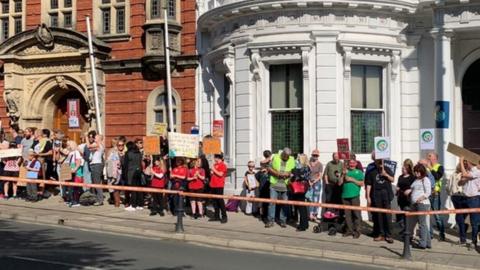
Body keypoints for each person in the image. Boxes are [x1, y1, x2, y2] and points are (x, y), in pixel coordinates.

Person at [365, 159, 394, 244]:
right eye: (378, 163)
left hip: (386, 194)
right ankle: (381, 234)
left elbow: (392, 179)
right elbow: (369, 184)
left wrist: (386, 174)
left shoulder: (388, 169)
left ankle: (389, 235)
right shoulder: (372, 172)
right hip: (376, 195)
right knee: (378, 215)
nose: (380, 164)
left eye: (381, 163)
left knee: (387, 215)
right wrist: (368, 197)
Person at [265, 148, 295, 228]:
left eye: (288, 156)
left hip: (285, 185)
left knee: (284, 204)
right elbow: (269, 168)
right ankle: (270, 221)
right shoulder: (275, 157)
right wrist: (278, 174)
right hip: (274, 184)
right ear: (283, 154)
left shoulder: (292, 159)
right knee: (272, 203)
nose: (287, 158)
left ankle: (283, 221)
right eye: (285, 156)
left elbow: (293, 171)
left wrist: (288, 174)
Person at [405, 164, 432, 249]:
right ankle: (428, 243)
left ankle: (422, 243)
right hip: (414, 204)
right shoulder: (416, 180)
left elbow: (428, 192)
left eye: (418, 171)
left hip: (422, 204)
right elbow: (414, 189)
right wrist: (409, 191)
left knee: (422, 224)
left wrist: (420, 198)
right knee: (422, 224)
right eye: (415, 171)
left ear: (422, 171)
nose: (416, 173)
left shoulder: (425, 179)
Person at [339, 159, 364, 239]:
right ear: (348, 164)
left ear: (356, 164)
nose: (352, 164)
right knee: (347, 215)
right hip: (345, 196)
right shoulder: (345, 171)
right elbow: (339, 183)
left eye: (353, 163)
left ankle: (357, 231)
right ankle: (349, 230)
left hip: (355, 196)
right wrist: (342, 175)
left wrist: (352, 179)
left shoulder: (359, 172)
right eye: (350, 163)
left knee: (356, 214)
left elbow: (362, 183)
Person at [459, 156, 480, 248]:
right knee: (461, 220)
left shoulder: (477, 171)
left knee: (474, 222)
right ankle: (463, 239)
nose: (465, 163)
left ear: (471, 162)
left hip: (474, 199)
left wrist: (460, 161)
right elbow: (461, 182)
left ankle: (474, 241)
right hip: (466, 198)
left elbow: (465, 176)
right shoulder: (470, 171)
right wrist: (463, 179)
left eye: (466, 162)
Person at [426, 152, 446, 241]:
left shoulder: (440, 167)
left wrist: (430, 168)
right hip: (427, 194)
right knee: (426, 214)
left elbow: (437, 176)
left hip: (435, 194)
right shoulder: (426, 168)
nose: (428, 158)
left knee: (437, 215)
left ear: (435, 158)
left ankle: (442, 234)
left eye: (429, 156)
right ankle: (430, 234)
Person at [447, 162, 467, 245]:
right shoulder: (458, 174)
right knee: (461, 217)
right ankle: (463, 238)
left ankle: (463, 237)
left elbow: (448, 187)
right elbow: (448, 186)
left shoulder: (458, 174)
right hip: (459, 196)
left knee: (460, 217)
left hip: (459, 196)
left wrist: (450, 193)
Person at [291, 154, 310, 231]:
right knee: (303, 206)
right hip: (304, 187)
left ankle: (302, 226)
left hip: (299, 188)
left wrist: (293, 175)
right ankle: (305, 224)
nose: (297, 159)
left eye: (298, 158)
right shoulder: (307, 167)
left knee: (301, 207)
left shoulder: (299, 168)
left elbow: (296, 176)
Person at [123, 141, 144, 211]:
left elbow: (125, 165)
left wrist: (124, 176)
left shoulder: (128, 153)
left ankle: (133, 205)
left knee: (133, 189)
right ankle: (140, 204)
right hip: (138, 172)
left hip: (131, 173)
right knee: (139, 188)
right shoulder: (139, 153)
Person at [209, 153, 228, 223]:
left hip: (219, 185)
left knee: (220, 201)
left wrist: (213, 170)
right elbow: (212, 173)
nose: (214, 159)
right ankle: (216, 216)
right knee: (214, 201)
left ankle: (224, 216)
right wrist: (211, 171)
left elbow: (220, 174)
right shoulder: (214, 165)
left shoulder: (223, 165)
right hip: (213, 185)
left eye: (214, 157)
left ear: (218, 158)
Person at [87, 131, 105, 206]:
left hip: (96, 165)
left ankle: (100, 200)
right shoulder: (97, 145)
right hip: (94, 164)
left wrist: (86, 137)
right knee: (95, 182)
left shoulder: (99, 145)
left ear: (100, 139)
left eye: (96, 137)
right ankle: (97, 198)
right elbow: (90, 149)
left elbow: (88, 146)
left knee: (97, 183)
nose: (94, 138)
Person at [396, 159, 415, 226]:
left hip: (408, 199)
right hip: (401, 198)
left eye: (404, 169)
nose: (402, 170)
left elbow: (415, 188)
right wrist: (397, 188)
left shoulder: (412, 177)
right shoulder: (400, 177)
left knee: (408, 215)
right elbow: (398, 185)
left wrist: (410, 190)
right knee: (403, 214)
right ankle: (405, 229)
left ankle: (408, 231)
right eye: (402, 168)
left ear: (408, 169)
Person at [106, 138, 123, 207]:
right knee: (114, 185)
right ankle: (116, 201)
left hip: (117, 171)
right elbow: (108, 161)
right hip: (114, 171)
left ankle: (116, 201)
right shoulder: (112, 151)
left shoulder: (119, 150)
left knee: (115, 186)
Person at [65, 140, 84, 207]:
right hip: (70, 171)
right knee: (70, 187)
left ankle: (76, 201)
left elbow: (78, 161)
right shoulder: (70, 153)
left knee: (75, 187)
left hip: (75, 172)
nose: (67, 146)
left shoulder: (76, 152)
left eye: (68, 145)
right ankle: (71, 199)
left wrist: (75, 169)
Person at [308, 149, 323, 220]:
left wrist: (313, 181)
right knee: (310, 198)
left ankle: (315, 214)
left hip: (316, 182)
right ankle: (310, 213)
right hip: (309, 182)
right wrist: (309, 181)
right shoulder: (308, 163)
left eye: (316, 155)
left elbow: (320, 175)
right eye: (314, 155)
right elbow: (306, 173)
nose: (315, 157)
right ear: (312, 155)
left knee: (316, 198)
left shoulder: (320, 164)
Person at [257, 150, 272, 221]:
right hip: (266, 181)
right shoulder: (270, 161)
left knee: (263, 201)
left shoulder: (262, 162)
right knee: (266, 201)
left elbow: (262, 167)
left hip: (264, 181)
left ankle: (263, 216)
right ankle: (265, 216)